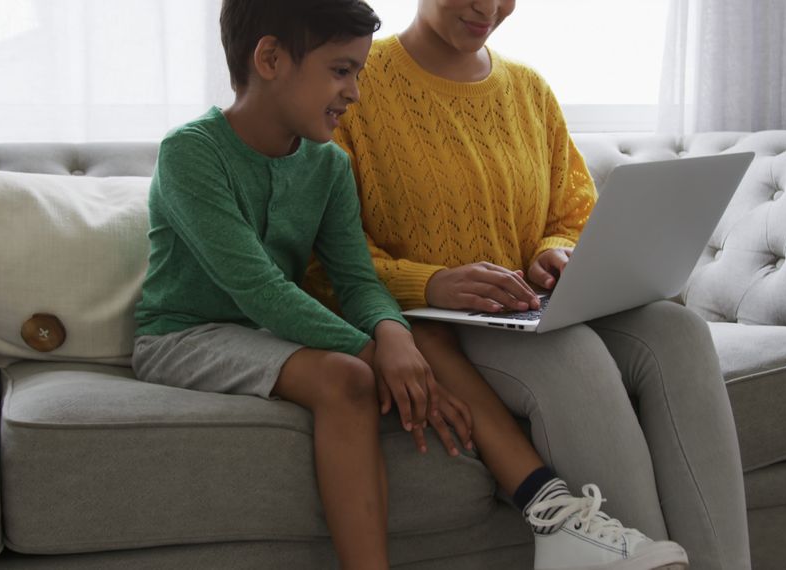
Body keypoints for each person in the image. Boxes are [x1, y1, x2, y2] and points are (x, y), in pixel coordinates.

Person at [133, 1, 685, 568]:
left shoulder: (327, 165)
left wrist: (393, 335)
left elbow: (357, 279)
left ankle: (552, 511)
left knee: (411, 336)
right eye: (341, 71)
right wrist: (375, 350)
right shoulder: (191, 152)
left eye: (360, 72)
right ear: (271, 58)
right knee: (349, 376)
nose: (354, 91)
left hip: (275, 330)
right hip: (187, 333)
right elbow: (261, 291)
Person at [310, 0, 752, 568]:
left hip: (531, 305)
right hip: (435, 323)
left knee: (679, 329)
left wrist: (554, 253)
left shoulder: (529, 90)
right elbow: (324, 259)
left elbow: (571, 212)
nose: (487, 7)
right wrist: (433, 282)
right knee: (571, 353)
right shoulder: (352, 86)